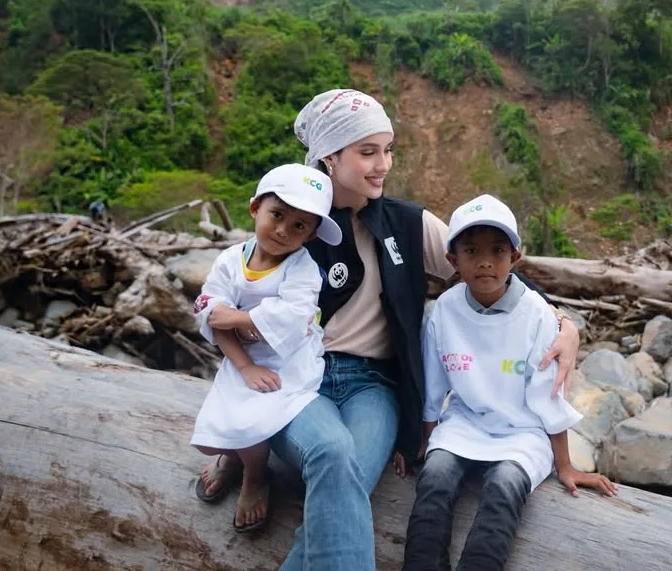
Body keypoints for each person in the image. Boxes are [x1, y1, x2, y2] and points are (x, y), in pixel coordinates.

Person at [197, 89, 582, 570]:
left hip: (373, 384)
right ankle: (245, 457)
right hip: (299, 381)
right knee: (335, 456)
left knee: (346, 472)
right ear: (329, 157)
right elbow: (238, 296)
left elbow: (490, 269)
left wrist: (562, 322)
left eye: (388, 149)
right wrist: (239, 433)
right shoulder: (297, 221)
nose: (383, 165)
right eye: (367, 152)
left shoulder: (408, 223)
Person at [403, 194, 616, 570]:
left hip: (523, 433)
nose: (485, 261)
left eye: (497, 250)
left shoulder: (538, 314)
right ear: (453, 261)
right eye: (472, 251)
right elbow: (433, 388)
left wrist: (565, 466)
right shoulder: (444, 311)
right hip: (464, 424)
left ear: (515, 257)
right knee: (434, 478)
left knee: (504, 487)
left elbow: (549, 396)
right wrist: (426, 441)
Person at [190, 163, 342, 533]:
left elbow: (291, 316)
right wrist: (244, 365)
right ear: (256, 208)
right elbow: (211, 313)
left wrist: (237, 317)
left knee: (252, 417)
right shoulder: (230, 260)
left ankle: (256, 474)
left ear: (311, 234)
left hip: (288, 360)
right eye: (277, 215)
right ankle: (233, 456)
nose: (283, 230)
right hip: (242, 356)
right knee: (219, 425)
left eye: (299, 225)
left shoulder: (302, 269)